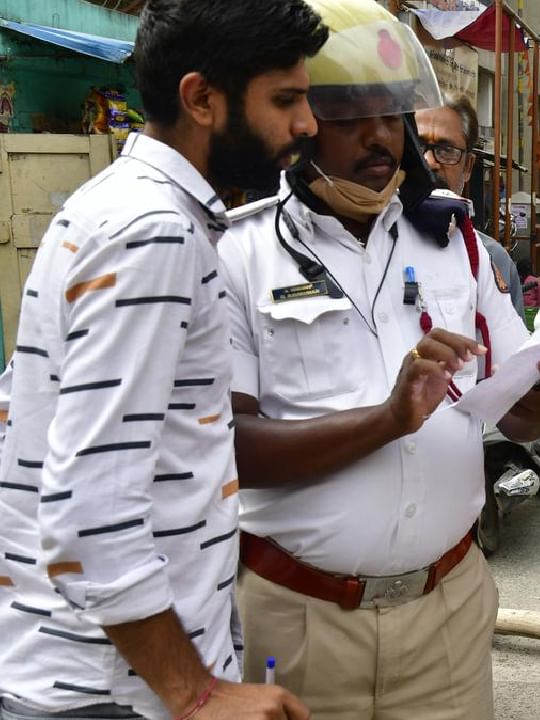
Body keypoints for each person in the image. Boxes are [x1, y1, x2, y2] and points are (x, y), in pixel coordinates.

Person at [217, 2, 540, 717]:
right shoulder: (236, 253)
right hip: (299, 618)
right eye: (350, 116)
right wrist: (388, 419)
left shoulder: (454, 242)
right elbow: (230, 451)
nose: (380, 137)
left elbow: (520, 397)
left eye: (391, 114)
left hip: (447, 608)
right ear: (298, 121)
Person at [0, 2, 326, 719]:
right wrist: (196, 690)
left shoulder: (121, 207)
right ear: (201, 98)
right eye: (285, 99)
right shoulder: (153, 235)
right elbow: (89, 512)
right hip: (110, 691)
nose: (306, 125)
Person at [415, 94, 522, 316]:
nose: (430, 161)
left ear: (468, 167)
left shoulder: (494, 259)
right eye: (417, 146)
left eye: (446, 150)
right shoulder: (369, 245)